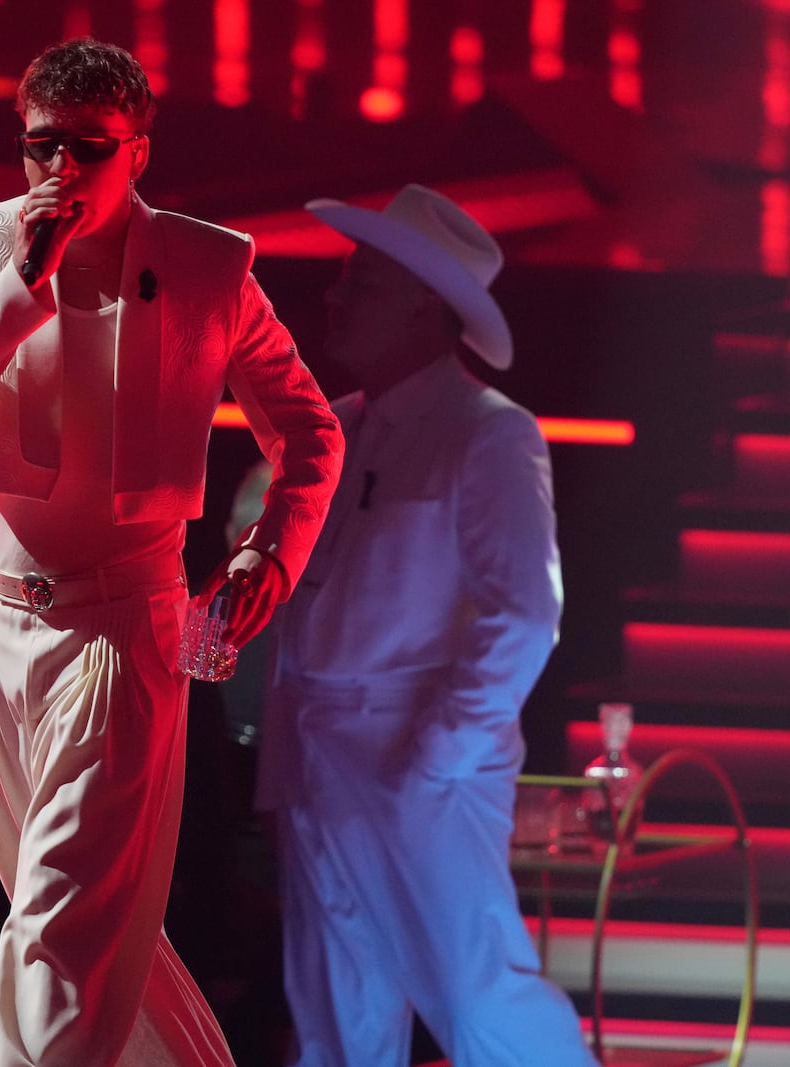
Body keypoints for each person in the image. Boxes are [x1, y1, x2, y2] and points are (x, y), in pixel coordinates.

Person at [0, 37, 343, 1067]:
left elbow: (309, 430)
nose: (58, 173)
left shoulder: (207, 264)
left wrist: (268, 550)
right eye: (39, 147)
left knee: (57, 933)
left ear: (137, 152)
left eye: (86, 149)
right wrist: (17, 282)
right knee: (80, 932)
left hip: (123, 629)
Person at [256, 184, 595, 1066]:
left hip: (413, 750)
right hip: (327, 750)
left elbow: (524, 611)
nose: (334, 298)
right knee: (335, 1009)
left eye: (358, 281)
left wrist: (437, 758)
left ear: (422, 304)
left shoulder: (490, 433)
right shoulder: (338, 427)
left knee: (478, 998)